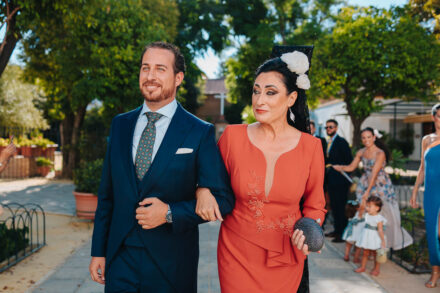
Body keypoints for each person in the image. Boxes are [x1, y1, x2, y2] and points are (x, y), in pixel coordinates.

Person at [89, 42, 235, 293]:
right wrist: (98, 252)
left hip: (171, 265)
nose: (150, 76)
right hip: (119, 259)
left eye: (160, 69)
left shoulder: (199, 131)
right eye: (145, 68)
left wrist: (169, 213)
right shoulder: (120, 125)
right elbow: (107, 195)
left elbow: (223, 200)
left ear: (178, 78)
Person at [195, 50, 326, 292]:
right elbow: (207, 176)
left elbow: (315, 204)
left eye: (270, 92)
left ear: (291, 98)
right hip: (237, 251)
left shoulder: (311, 147)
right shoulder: (232, 137)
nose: (259, 100)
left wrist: (311, 229)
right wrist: (202, 189)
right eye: (256, 91)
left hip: (286, 254)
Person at [333, 127, 412, 250]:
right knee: (364, 213)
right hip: (365, 182)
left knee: (381, 213)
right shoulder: (361, 152)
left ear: (374, 138)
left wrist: (367, 192)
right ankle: (365, 245)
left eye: (369, 137)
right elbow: (351, 167)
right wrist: (340, 167)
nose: (366, 140)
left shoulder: (380, 153)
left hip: (379, 183)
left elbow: (374, 174)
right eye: (364, 138)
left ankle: (381, 245)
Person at [410, 103, 440, 288]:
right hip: (431, 193)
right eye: (439, 116)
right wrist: (414, 192)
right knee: (431, 233)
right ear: (433, 117)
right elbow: (422, 168)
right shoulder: (427, 140)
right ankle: (435, 272)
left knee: (439, 232)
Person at [325, 119, 353, 242]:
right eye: (326, 128)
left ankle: (342, 234)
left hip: (340, 181)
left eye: (330, 127)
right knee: (334, 207)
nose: (328, 129)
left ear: (336, 128)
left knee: (341, 207)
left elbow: (349, 161)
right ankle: (336, 230)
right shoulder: (328, 142)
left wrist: (340, 167)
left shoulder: (342, 142)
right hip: (331, 180)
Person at [354, 196, 387, 276]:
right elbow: (360, 212)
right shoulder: (367, 215)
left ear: (377, 208)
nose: (367, 208)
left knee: (376, 254)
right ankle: (362, 267)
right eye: (367, 206)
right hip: (366, 237)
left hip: (375, 238)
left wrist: (383, 241)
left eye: (369, 206)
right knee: (365, 252)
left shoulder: (379, 218)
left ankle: (376, 269)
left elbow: (380, 230)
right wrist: (363, 201)